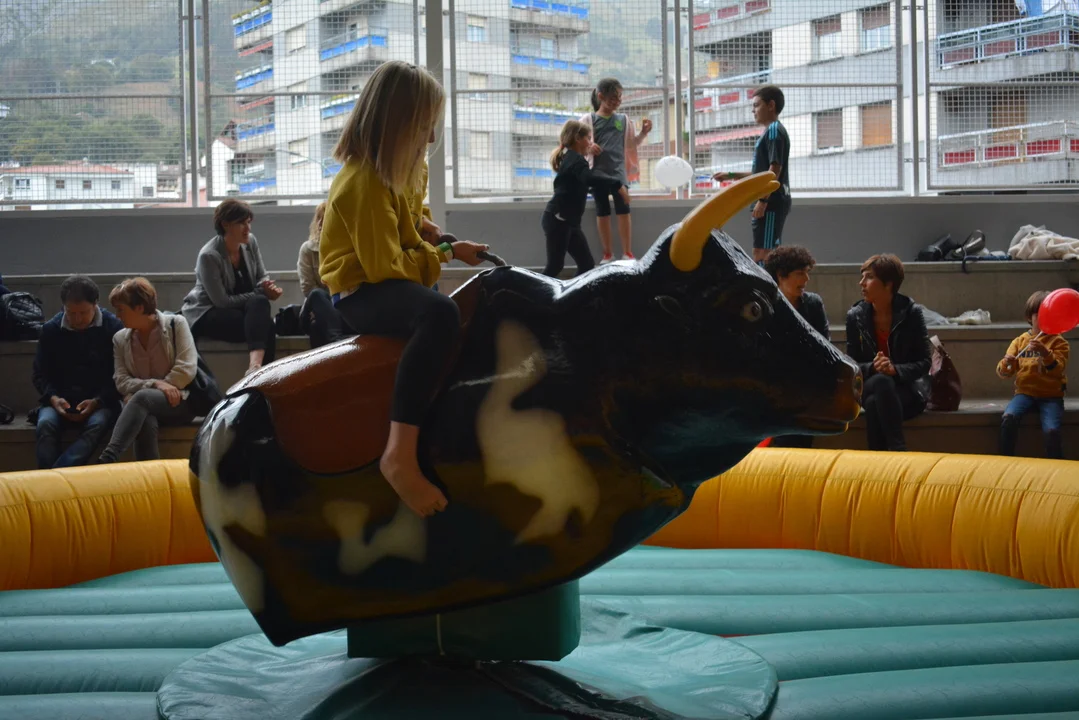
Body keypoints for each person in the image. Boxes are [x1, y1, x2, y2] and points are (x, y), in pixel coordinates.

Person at [319, 60, 489, 518]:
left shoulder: (410, 166)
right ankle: (397, 455)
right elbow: (386, 269)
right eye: (423, 126)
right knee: (439, 314)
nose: (431, 138)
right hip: (360, 290)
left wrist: (431, 231)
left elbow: (412, 216)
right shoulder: (362, 182)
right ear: (396, 124)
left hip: (389, 276)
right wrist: (447, 253)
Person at [98, 277, 198, 463]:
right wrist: (155, 384)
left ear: (139, 308)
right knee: (145, 417)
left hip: (179, 401)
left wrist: (143, 391)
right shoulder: (120, 339)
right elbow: (121, 380)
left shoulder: (176, 324)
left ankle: (107, 458)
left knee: (142, 398)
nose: (117, 316)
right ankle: (152, 475)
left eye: (121, 309)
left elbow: (186, 369)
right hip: (140, 405)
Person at [181, 199, 283, 376]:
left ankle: (255, 369)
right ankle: (263, 376)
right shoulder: (209, 256)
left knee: (261, 310)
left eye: (248, 222)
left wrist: (267, 286)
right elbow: (222, 301)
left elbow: (261, 275)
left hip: (240, 309)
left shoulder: (250, 242)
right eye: (241, 223)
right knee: (265, 322)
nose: (247, 228)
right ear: (225, 224)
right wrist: (261, 292)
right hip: (209, 312)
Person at [31, 275, 123, 468]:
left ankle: (56, 476)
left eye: (83, 312)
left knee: (97, 425)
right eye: (71, 313)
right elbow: (40, 374)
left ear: (96, 304)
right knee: (45, 425)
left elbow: (119, 374)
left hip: (100, 401)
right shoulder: (51, 330)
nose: (77, 319)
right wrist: (54, 398)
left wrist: (97, 401)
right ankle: (50, 478)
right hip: (59, 399)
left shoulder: (113, 328)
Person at [845, 254, 931, 452]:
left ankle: (878, 459)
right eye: (862, 277)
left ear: (888, 284)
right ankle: (898, 449)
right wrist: (873, 367)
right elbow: (851, 364)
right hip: (870, 384)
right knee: (881, 382)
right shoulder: (855, 316)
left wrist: (895, 370)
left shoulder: (911, 313)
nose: (861, 283)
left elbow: (925, 362)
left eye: (869, 277)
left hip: (907, 390)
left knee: (874, 403)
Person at [712, 85, 791, 264]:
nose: (753, 110)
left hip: (771, 202)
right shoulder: (770, 132)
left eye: (756, 105)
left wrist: (763, 200)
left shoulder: (774, 130)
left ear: (771, 105)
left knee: (766, 253)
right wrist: (730, 175)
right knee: (759, 251)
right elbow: (761, 174)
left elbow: (774, 170)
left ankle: (769, 283)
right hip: (767, 201)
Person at [579, 77, 652, 263]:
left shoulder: (623, 120)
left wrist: (643, 133)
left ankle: (627, 252)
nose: (617, 101)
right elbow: (578, 145)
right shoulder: (588, 120)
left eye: (619, 97)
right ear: (601, 96)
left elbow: (631, 144)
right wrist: (589, 147)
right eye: (613, 97)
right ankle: (607, 254)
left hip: (618, 173)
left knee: (624, 210)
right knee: (602, 211)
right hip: (597, 174)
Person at [763, 246, 829, 449]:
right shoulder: (766, 306)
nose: (806, 279)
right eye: (800, 273)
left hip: (807, 381)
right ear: (780, 275)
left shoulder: (813, 304)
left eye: (807, 272)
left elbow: (823, 347)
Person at [996, 290, 1069, 459]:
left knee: (1051, 430)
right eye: (1040, 315)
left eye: (1049, 316)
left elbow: (1058, 369)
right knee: (1008, 418)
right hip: (1025, 393)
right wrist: (1007, 363)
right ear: (1030, 317)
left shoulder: (1059, 342)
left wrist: (1045, 353)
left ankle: (1056, 464)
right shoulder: (1020, 341)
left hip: (1051, 396)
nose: (1045, 320)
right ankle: (1005, 459)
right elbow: (1004, 373)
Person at [541, 119, 610, 278]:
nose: (590, 143)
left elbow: (582, 184)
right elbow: (589, 179)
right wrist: (617, 184)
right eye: (588, 138)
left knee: (586, 264)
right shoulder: (575, 160)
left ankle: (572, 293)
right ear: (578, 138)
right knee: (555, 266)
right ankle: (531, 293)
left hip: (567, 221)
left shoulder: (572, 158)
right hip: (558, 219)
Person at [297, 202, 349, 348]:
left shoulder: (347, 250)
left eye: (326, 219)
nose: (320, 223)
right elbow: (307, 288)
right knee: (317, 294)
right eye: (319, 218)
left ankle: (331, 351)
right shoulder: (308, 249)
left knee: (317, 326)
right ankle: (336, 342)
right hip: (314, 309)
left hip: (340, 310)